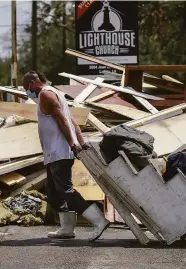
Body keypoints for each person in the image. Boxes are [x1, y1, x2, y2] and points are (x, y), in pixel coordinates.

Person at [23, 70, 110, 242]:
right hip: (53, 152)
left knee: (65, 189)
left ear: (32, 84)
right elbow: (71, 120)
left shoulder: (46, 95)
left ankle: (99, 220)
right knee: (53, 192)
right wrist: (81, 142)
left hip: (59, 151)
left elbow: (63, 121)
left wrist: (72, 144)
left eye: (26, 88)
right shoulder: (55, 94)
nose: (27, 92)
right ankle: (67, 228)